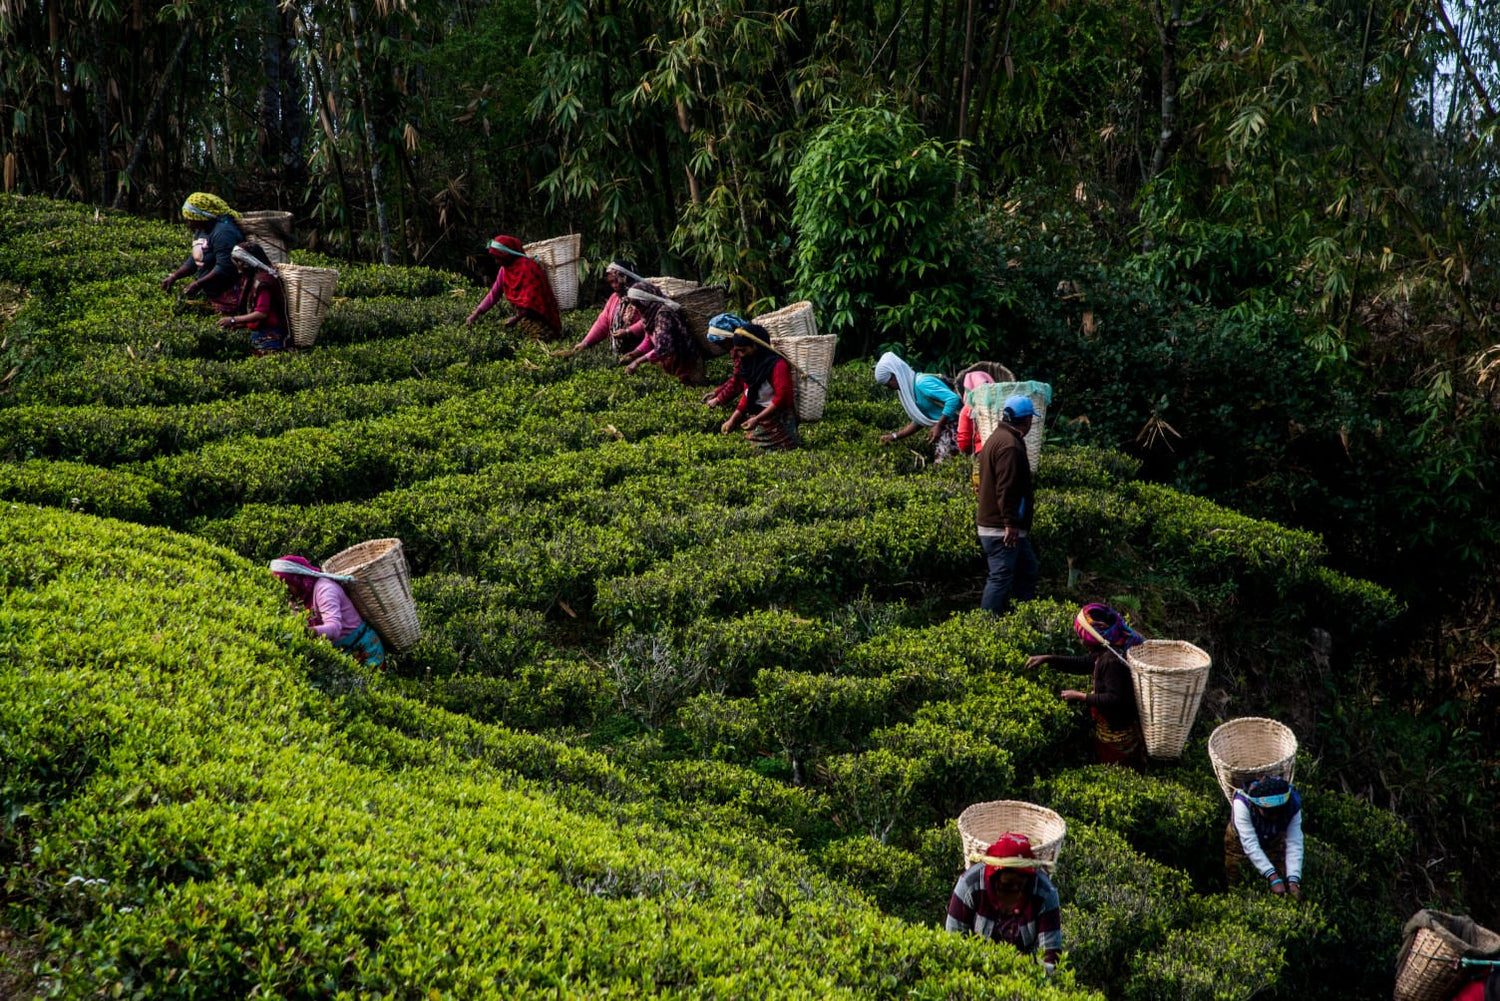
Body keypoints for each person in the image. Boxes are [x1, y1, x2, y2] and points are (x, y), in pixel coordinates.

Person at [1026, 603, 1146, 768]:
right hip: (1111, 729)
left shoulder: (1112, 662)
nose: (1080, 640)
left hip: (1118, 735)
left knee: (1115, 770)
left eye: (1081, 636)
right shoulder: (1108, 651)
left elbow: (1115, 698)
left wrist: (1080, 696)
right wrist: (1048, 658)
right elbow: (1080, 664)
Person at [946, 833, 1062, 973]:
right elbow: (952, 945)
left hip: (1024, 978)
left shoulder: (1045, 893)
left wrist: (1025, 966)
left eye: (1021, 885)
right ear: (995, 878)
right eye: (1008, 885)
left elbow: (1052, 962)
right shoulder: (970, 885)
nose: (1016, 891)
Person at [975, 394, 1037, 615]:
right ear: (1027, 420)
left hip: (1001, 526)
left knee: (1027, 570)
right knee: (1000, 577)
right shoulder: (1010, 446)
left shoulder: (996, 437)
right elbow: (1007, 487)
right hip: (1002, 529)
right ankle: (986, 628)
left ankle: (1020, 619)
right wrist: (1010, 523)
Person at [269, 555, 386, 669]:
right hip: (341, 653)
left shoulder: (325, 590)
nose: (284, 592)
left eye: (287, 587)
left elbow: (334, 628)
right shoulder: (297, 597)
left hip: (365, 650)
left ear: (296, 580)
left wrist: (308, 632)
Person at [709, 323, 799, 450]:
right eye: (737, 350)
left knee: (749, 450)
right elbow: (748, 394)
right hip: (759, 418)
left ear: (756, 346)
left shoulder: (777, 365)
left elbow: (782, 398)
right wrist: (732, 420)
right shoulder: (750, 365)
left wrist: (757, 419)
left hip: (778, 420)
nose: (740, 354)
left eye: (743, 350)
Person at [161, 192, 245, 313]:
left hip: (227, 295)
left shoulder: (223, 232)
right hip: (211, 294)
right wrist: (174, 276)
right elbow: (196, 258)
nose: (188, 222)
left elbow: (224, 267)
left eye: (190, 218)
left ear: (200, 217)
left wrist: (198, 284)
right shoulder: (202, 229)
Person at [465, 234, 562, 339]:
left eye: (498, 258)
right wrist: (477, 312)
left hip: (542, 319)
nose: (496, 262)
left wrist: (516, 318)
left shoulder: (527, 268)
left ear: (507, 255)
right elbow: (494, 293)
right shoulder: (504, 269)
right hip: (523, 318)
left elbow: (532, 301)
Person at [1224, 776, 1304, 897]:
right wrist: (1273, 878)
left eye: (1279, 812)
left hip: (1274, 838)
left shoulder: (1293, 804)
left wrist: (1293, 881)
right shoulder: (1242, 804)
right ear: (1256, 806)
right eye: (1269, 813)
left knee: (1281, 879)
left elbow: (1294, 842)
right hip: (1239, 842)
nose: (1275, 817)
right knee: (1237, 877)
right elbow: (1250, 844)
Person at [874, 352, 962, 461]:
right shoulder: (912, 391)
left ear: (894, 375)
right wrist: (894, 436)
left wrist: (939, 425)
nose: (890, 388)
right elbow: (919, 421)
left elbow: (953, 399)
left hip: (958, 428)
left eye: (888, 384)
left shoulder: (922, 383)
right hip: (947, 430)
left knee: (944, 469)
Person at [619, 283, 705, 385]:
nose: (636, 308)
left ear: (645, 302)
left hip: (685, 363)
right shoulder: (649, 315)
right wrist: (633, 354)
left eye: (637, 304)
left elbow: (663, 347)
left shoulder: (664, 314)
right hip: (670, 365)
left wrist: (637, 362)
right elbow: (648, 340)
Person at [217, 243, 291, 355]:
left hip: (269, 337)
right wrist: (239, 324)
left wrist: (233, 320)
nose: (239, 270)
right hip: (260, 334)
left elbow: (262, 313)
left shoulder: (264, 282)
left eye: (240, 264)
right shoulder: (259, 278)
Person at [566, 258, 647, 357]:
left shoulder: (642, 297)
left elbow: (648, 321)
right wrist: (586, 343)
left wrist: (628, 331)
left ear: (626, 278)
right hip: (620, 355)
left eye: (616, 281)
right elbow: (603, 322)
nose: (614, 285)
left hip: (642, 353)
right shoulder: (615, 298)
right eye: (611, 282)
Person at [955, 370, 995, 455]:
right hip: (1004, 447)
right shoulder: (1000, 403)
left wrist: (970, 451)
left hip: (982, 452)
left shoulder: (968, 409)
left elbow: (964, 442)